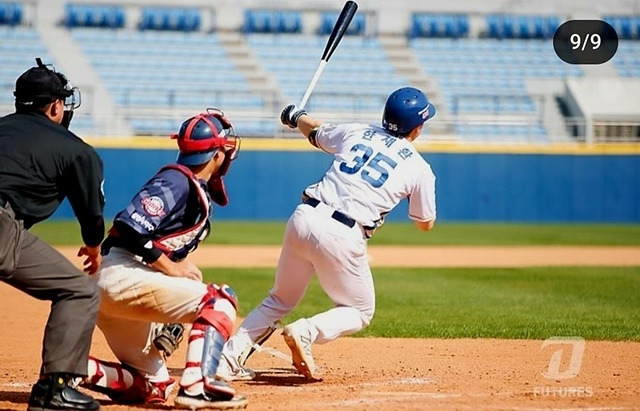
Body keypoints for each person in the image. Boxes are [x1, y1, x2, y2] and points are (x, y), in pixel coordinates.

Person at [217, 86, 437, 381]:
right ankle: (306, 331)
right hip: (344, 232)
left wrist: (296, 117)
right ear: (419, 127)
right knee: (359, 311)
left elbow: (315, 131)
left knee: (279, 299)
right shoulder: (419, 168)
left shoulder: (360, 131)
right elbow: (424, 222)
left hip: (304, 216)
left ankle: (225, 362)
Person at [77, 109, 248, 409]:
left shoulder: (190, 184)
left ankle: (75, 368)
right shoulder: (176, 180)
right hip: (120, 274)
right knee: (219, 301)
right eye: (226, 148)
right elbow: (130, 225)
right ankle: (198, 385)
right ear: (217, 154)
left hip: (116, 287)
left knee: (155, 386)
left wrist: (170, 278)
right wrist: (172, 267)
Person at [0, 58, 105, 410]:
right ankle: (54, 389)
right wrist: (93, 245)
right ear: (57, 106)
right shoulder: (75, 148)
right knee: (79, 289)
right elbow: (90, 214)